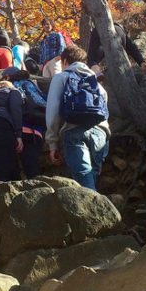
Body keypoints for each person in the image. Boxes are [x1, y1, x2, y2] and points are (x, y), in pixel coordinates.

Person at [45, 45, 110, 190]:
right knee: (91, 177)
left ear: (65, 61)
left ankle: (92, 212)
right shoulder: (95, 82)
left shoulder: (62, 77)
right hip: (100, 134)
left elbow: (52, 111)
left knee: (84, 182)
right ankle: (99, 210)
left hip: (74, 131)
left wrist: (52, 143)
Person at [3, 66, 48, 178]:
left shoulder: (12, 87)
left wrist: (17, 134)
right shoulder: (32, 85)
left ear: (7, 77)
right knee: (32, 168)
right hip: (37, 132)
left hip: (20, 131)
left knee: (11, 169)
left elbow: (15, 109)